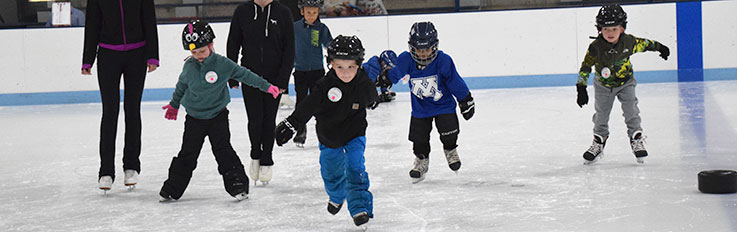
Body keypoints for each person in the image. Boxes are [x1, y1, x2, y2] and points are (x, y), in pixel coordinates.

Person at [159, 20, 282, 202]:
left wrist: (267, 86)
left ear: (211, 45)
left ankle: (238, 185)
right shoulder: (189, 66)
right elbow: (181, 86)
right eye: (194, 52)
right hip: (194, 118)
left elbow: (245, 75)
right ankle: (172, 189)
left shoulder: (223, 64)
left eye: (202, 51)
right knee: (187, 153)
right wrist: (174, 105)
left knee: (223, 150)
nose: (198, 55)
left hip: (218, 116)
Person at [274, 35, 377, 227]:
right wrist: (291, 124)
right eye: (340, 67)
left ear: (359, 65)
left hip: (355, 134)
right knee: (331, 171)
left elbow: (372, 96)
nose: (346, 73)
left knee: (356, 167)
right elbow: (306, 107)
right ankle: (337, 196)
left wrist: (373, 98)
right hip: (329, 136)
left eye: (351, 67)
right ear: (331, 64)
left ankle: (359, 207)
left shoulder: (362, 82)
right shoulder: (324, 86)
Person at [377, 22, 475, 184]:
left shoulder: (443, 60)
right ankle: (422, 160)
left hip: (444, 106)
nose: (423, 54)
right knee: (419, 138)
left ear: (435, 46)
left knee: (449, 131)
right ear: (411, 48)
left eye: (427, 49)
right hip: (420, 109)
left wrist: (465, 99)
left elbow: (454, 81)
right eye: (419, 50)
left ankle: (450, 149)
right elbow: (396, 73)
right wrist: (385, 78)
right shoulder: (405, 60)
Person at [576, 4, 669, 165]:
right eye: (606, 29)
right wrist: (581, 87)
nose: (610, 33)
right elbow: (585, 66)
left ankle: (636, 138)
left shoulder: (629, 42)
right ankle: (598, 141)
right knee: (601, 115)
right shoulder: (595, 47)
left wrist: (660, 48)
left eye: (614, 29)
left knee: (631, 110)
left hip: (626, 83)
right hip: (603, 86)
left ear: (622, 28)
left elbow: (646, 44)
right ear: (599, 29)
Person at [82, 0, 159, 192]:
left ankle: (131, 166)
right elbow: (92, 25)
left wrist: (153, 55)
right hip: (108, 55)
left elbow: (149, 21)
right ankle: (106, 171)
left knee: (132, 110)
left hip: (137, 54)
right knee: (110, 112)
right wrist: (88, 59)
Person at [227, 0, 295, 185]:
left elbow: (289, 48)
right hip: (250, 76)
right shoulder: (242, 12)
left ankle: (267, 159)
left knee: (268, 119)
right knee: (255, 119)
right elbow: (233, 43)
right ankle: (255, 154)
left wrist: (283, 80)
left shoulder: (283, 12)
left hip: (274, 78)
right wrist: (232, 75)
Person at [292, 0, 333, 147]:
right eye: (308, 12)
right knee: (301, 102)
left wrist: (334, 57)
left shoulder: (321, 28)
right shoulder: (294, 28)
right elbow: (287, 47)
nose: (311, 16)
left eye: (314, 13)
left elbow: (329, 45)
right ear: (302, 12)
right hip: (300, 72)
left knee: (320, 103)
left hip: (317, 71)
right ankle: (301, 130)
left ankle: (324, 131)